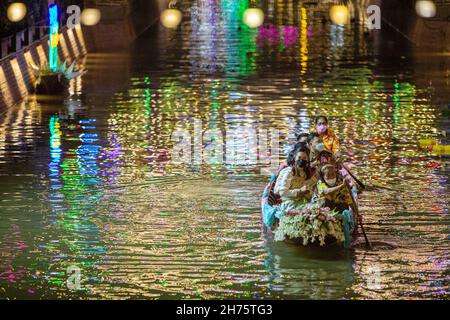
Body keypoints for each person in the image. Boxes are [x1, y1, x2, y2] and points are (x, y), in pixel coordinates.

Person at [273, 142, 318, 220]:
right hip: (289, 203)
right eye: (299, 158)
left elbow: (311, 192)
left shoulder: (306, 174)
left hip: (303, 203)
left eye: (304, 159)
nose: (302, 160)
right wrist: (299, 191)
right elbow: (282, 192)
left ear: (307, 161)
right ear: (294, 159)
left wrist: (308, 193)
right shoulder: (289, 172)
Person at [315, 164, 356, 247]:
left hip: (339, 211)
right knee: (326, 199)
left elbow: (349, 201)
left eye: (333, 174)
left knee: (343, 202)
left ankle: (343, 227)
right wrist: (341, 186)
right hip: (326, 213)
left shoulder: (340, 183)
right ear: (323, 177)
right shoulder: (320, 184)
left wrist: (357, 213)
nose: (331, 177)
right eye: (328, 175)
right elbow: (327, 191)